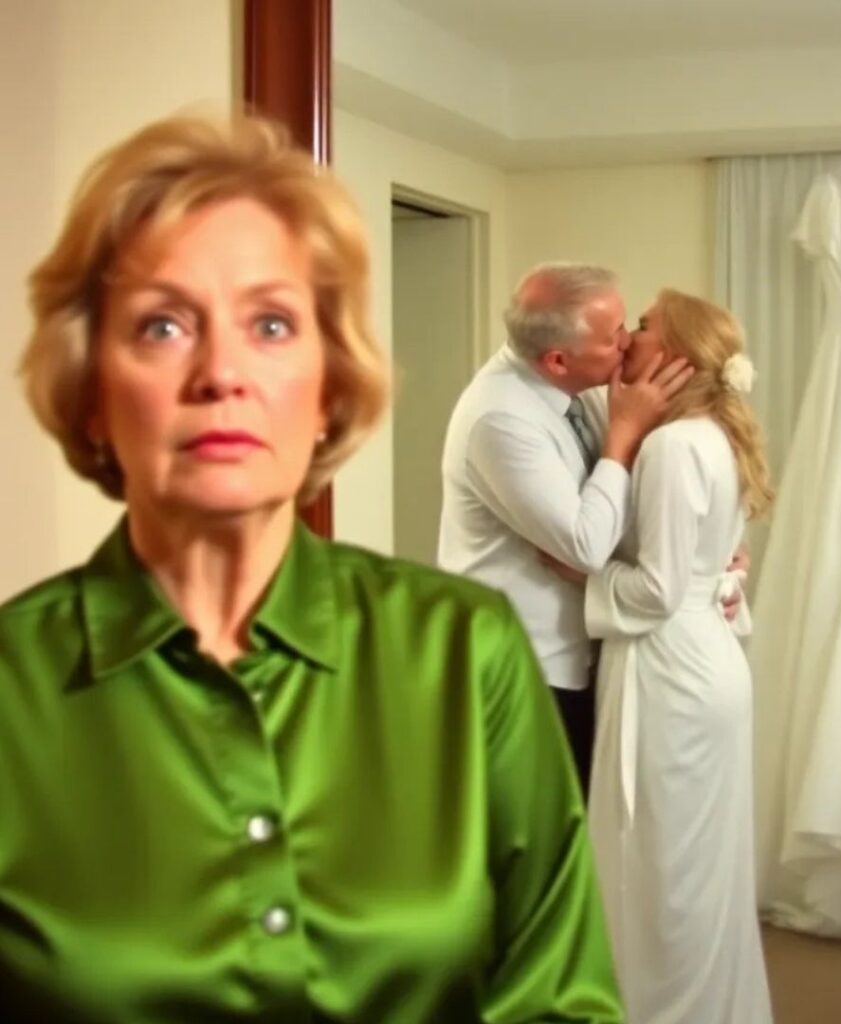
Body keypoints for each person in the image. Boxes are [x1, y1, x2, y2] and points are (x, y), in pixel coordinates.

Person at [0, 114, 623, 1024]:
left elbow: (561, 1001)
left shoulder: (467, 652)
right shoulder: (13, 687)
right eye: (163, 324)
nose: (222, 373)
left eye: (271, 323)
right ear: (92, 389)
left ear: (330, 387)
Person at [546, 291, 775, 1023]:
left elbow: (657, 590)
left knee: (663, 869)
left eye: (644, 327)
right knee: (691, 866)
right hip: (704, 662)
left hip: (673, 673)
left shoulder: (674, 448)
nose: (630, 338)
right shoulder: (712, 436)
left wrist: (582, 573)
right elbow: (708, 567)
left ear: (675, 356)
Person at [437, 264, 691, 793]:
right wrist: (624, 435)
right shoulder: (500, 418)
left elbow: (619, 507)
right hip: (522, 671)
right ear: (557, 360)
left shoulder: (578, 391)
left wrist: (709, 556)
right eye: (613, 336)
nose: (627, 343)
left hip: (573, 662)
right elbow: (586, 545)